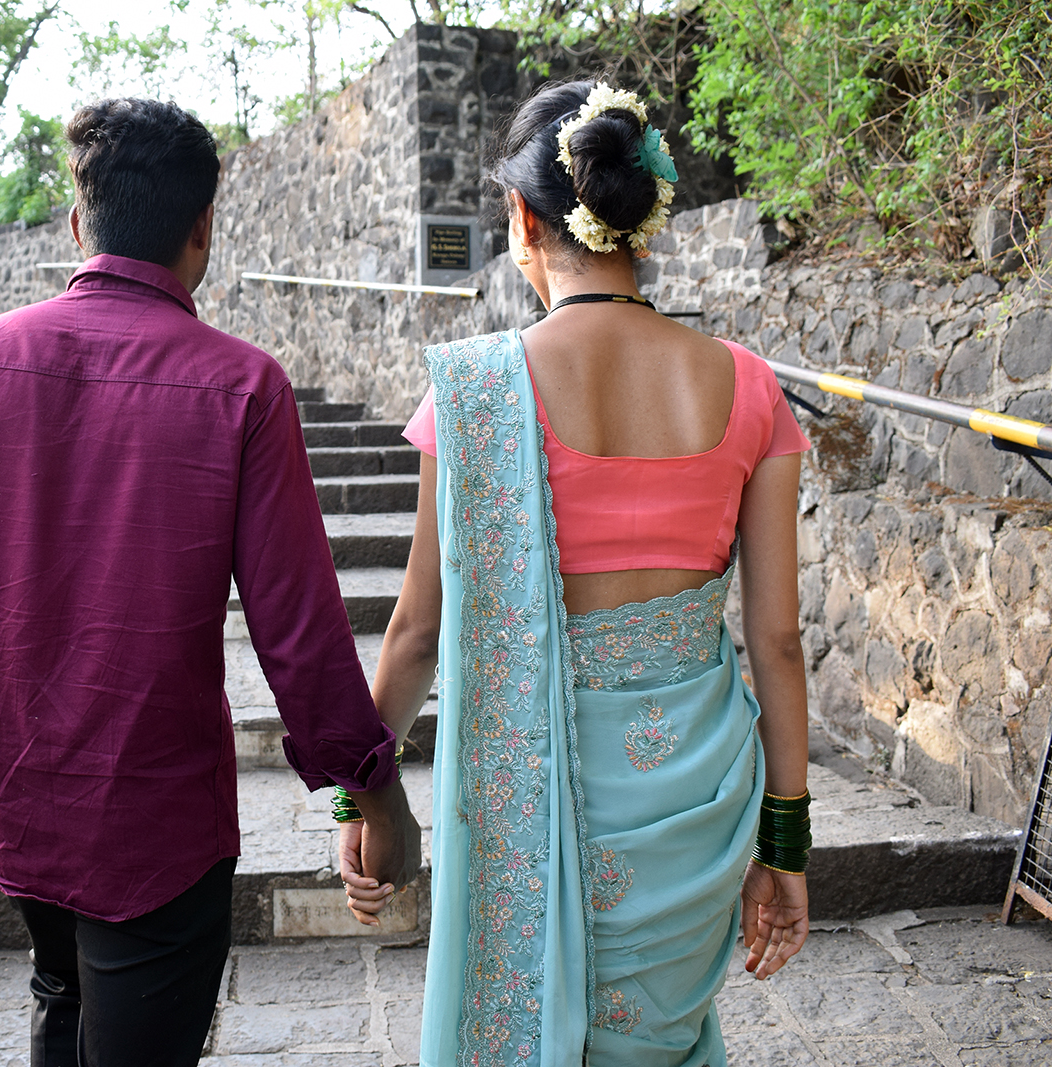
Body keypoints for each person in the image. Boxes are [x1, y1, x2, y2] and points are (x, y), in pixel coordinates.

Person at [0, 97, 420, 1066]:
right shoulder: (242, 385)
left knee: (60, 987)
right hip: (156, 821)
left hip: (14, 795)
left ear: (78, 222)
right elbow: (298, 633)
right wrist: (378, 801)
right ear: (202, 230)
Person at [341, 81, 812, 1066]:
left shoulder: (471, 390)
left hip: (535, 814)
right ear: (649, 212)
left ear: (522, 218)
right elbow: (775, 641)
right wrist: (786, 845)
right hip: (695, 804)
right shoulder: (750, 386)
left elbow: (416, 635)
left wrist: (360, 797)